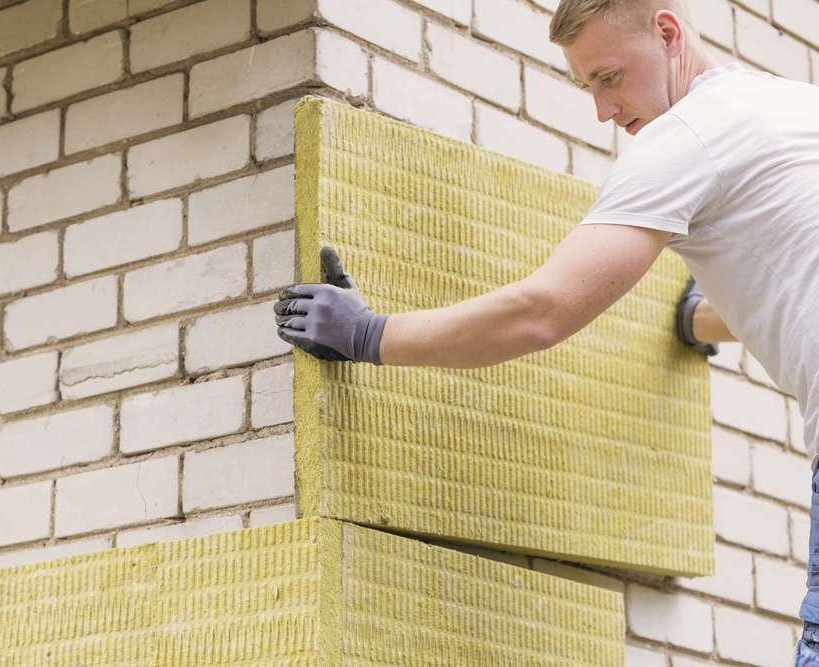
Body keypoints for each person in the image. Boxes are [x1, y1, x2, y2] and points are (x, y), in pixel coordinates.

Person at [274, 0, 819, 661]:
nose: (603, 110)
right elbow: (789, 276)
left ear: (668, 33)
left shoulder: (685, 139)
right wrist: (698, 319)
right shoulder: (793, 108)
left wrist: (369, 335)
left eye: (610, 76)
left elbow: (542, 309)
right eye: (588, 85)